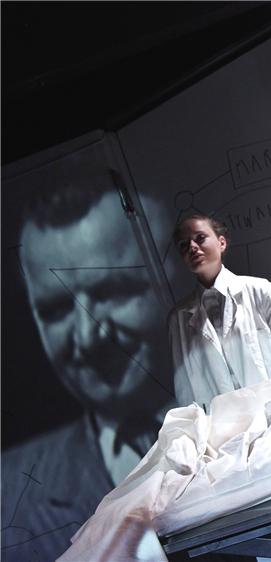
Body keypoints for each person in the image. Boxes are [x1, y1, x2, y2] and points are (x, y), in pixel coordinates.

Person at [1, 179, 175, 561]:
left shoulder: (263, 419)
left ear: (174, 278)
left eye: (113, 291)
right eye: (55, 310)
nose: (87, 336)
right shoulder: (7, 495)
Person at [168, 214, 271, 411]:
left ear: (221, 242)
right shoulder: (178, 318)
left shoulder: (260, 291)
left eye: (200, 238)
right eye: (183, 245)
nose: (192, 247)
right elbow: (184, 389)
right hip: (223, 423)